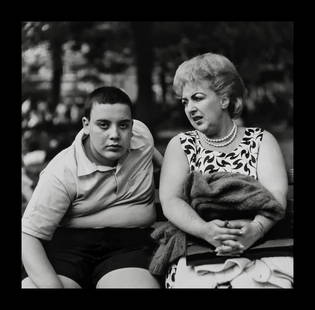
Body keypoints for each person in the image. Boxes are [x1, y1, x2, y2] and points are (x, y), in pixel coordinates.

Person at [159, 52, 292, 288]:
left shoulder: (261, 140)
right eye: (185, 101)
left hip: (261, 245)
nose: (190, 108)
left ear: (224, 99)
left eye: (197, 98)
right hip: (198, 249)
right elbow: (170, 200)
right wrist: (205, 230)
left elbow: (276, 196)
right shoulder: (181, 145)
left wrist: (256, 230)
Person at [22, 86, 162, 288]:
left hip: (128, 245)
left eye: (123, 125)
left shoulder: (141, 136)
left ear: (132, 125)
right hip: (70, 248)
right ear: (86, 125)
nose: (114, 134)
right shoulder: (62, 171)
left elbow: (160, 161)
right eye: (103, 125)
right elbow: (28, 235)